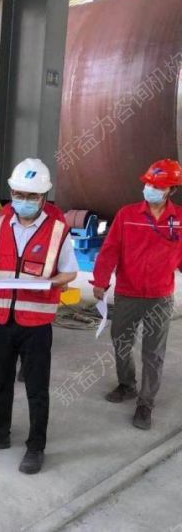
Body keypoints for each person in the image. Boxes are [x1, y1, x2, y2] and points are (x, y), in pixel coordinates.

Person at [0, 158, 78, 475]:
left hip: (37, 325)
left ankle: (36, 447)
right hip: (3, 320)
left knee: (36, 389)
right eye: (19, 194)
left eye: (31, 196)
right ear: (12, 192)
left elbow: (70, 272)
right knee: (1, 382)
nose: (24, 201)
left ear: (43, 197)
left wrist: (49, 282)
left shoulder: (57, 231)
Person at [92, 159, 182, 430]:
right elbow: (110, 249)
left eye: (158, 186)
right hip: (127, 293)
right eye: (148, 184)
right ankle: (127, 384)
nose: (150, 189)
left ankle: (146, 404)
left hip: (160, 297)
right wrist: (100, 280)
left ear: (171, 190)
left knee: (153, 353)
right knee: (121, 341)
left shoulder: (179, 220)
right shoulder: (127, 215)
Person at [0, 201, 67, 382]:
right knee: (0, 333)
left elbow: (61, 256)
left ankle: (25, 366)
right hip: (4, 300)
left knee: (33, 342)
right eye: (19, 193)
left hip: (36, 305)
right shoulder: (6, 212)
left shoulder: (55, 216)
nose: (24, 200)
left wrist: (57, 280)